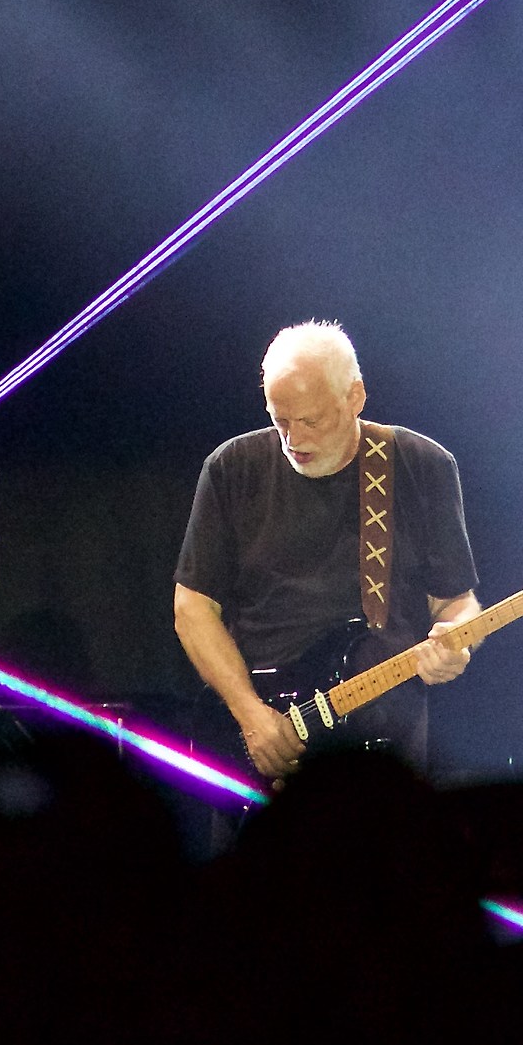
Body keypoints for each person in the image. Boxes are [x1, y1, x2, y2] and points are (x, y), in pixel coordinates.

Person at [173, 322, 482, 780]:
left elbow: (456, 601)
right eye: (280, 420)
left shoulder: (422, 465)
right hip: (267, 740)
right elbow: (192, 608)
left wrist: (456, 642)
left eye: (311, 421)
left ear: (355, 397)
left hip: (386, 749)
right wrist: (250, 714)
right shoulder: (232, 468)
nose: (294, 440)